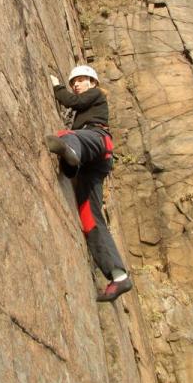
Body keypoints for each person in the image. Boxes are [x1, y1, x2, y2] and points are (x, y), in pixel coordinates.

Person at [46, 65, 132, 302]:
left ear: (93, 82)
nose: (76, 84)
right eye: (73, 82)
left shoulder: (96, 94)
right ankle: (119, 276)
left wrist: (57, 86)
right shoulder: (89, 100)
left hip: (97, 140)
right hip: (93, 164)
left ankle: (71, 156)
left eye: (81, 80)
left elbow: (73, 101)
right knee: (89, 217)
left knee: (67, 136)